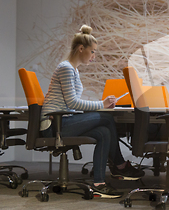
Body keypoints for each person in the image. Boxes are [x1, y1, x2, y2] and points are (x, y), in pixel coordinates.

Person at [40, 25, 144, 198]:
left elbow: (71, 105)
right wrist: (101, 104)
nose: (94, 57)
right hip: (54, 125)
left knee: (103, 132)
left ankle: (99, 183)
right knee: (106, 118)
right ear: (81, 49)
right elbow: (72, 102)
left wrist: (100, 105)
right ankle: (119, 165)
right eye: (93, 52)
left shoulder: (73, 70)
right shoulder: (66, 68)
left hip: (64, 120)